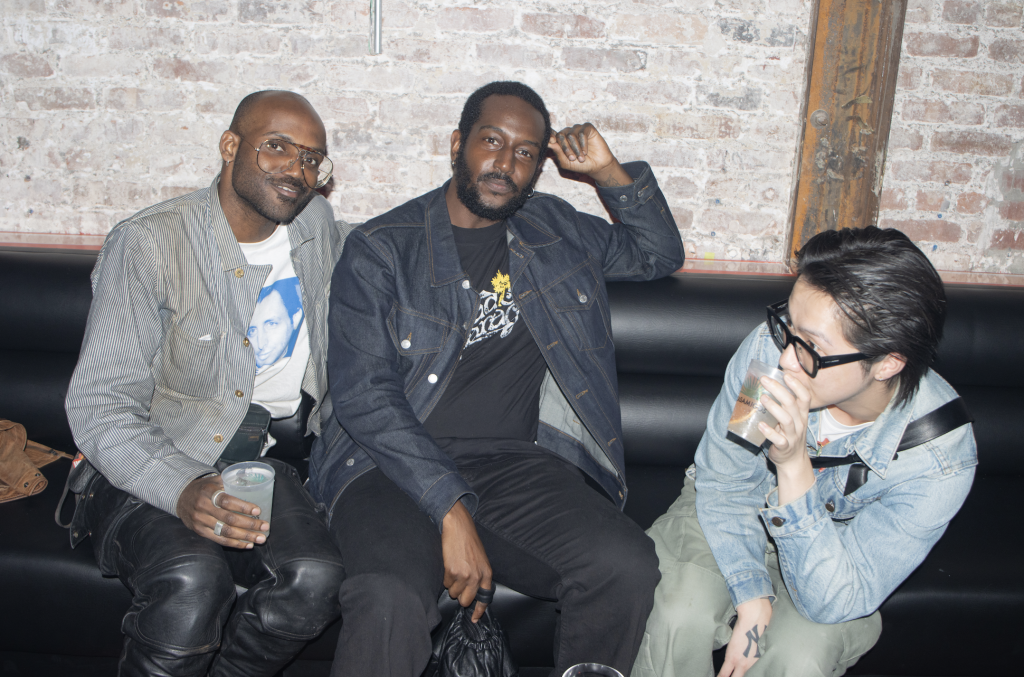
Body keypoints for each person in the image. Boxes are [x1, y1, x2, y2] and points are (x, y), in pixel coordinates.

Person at [308, 80, 685, 677]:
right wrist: (450, 508)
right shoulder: (381, 248)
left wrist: (608, 171)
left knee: (626, 565)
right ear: (457, 144)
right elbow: (364, 397)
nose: (505, 163)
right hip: (388, 469)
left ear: (540, 166)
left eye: (526, 152)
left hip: (515, 466)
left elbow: (657, 254)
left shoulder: (555, 230)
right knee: (389, 597)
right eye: (491, 141)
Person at [64, 90, 349, 677]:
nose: (297, 169)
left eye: (311, 159)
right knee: (195, 583)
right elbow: (98, 406)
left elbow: (396, 246)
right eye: (277, 147)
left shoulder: (314, 227)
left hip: (262, 462)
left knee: (317, 579)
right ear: (230, 147)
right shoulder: (149, 243)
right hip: (149, 457)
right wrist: (183, 485)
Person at [633, 227, 977, 677]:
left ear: (888, 363)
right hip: (735, 507)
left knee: (799, 659)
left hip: (836, 552)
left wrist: (793, 465)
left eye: (813, 347)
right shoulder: (769, 353)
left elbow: (835, 597)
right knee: (678, 615)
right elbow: (728, 478)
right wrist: (752, 595)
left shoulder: (939, 459)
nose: (788, 359)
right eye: (788, 325)